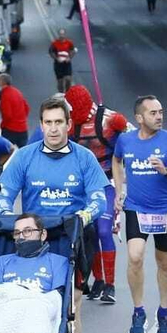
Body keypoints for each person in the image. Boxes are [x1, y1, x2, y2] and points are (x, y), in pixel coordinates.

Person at [0, 96, 109, 333]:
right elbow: (5, 193)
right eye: (48, 123)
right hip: (34, 238)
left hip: (73, 235)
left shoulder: (84, 157)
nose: (54, 129)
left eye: (59, 122)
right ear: (41, 125)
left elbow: (99, 197)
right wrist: (5, 215)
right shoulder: (25, 156)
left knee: (71, 303)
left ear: (69, 125)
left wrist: (85, 215)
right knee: (30, 296)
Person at [111, 96, 167, 333]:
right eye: (153, 113)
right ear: (139, 118)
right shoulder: (125, 140)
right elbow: (116, 161)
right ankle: (138, 310)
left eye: (161, 112)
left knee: (164, 263)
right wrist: (119, 191)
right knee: (135, 257)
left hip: (165, 210)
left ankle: (164, 311)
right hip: (136, 208)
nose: (159, 117)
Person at [68, 84, 131, 303]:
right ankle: (98, 280)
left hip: (108, 181)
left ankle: (111, 285)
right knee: (90, 232)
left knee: (104, 230)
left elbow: (133, 139)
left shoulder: (110, 119)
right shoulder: (69, 125)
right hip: (83, 185)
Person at [0, 74, 30, 147]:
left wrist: (3, 125)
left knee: (5, 152)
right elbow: (27, 108)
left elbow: (7, 114)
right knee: (25, 154)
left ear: (2, 82)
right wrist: (21, 119)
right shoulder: (17, 92)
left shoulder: (5, 95)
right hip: (23, 128)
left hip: (10, 129)